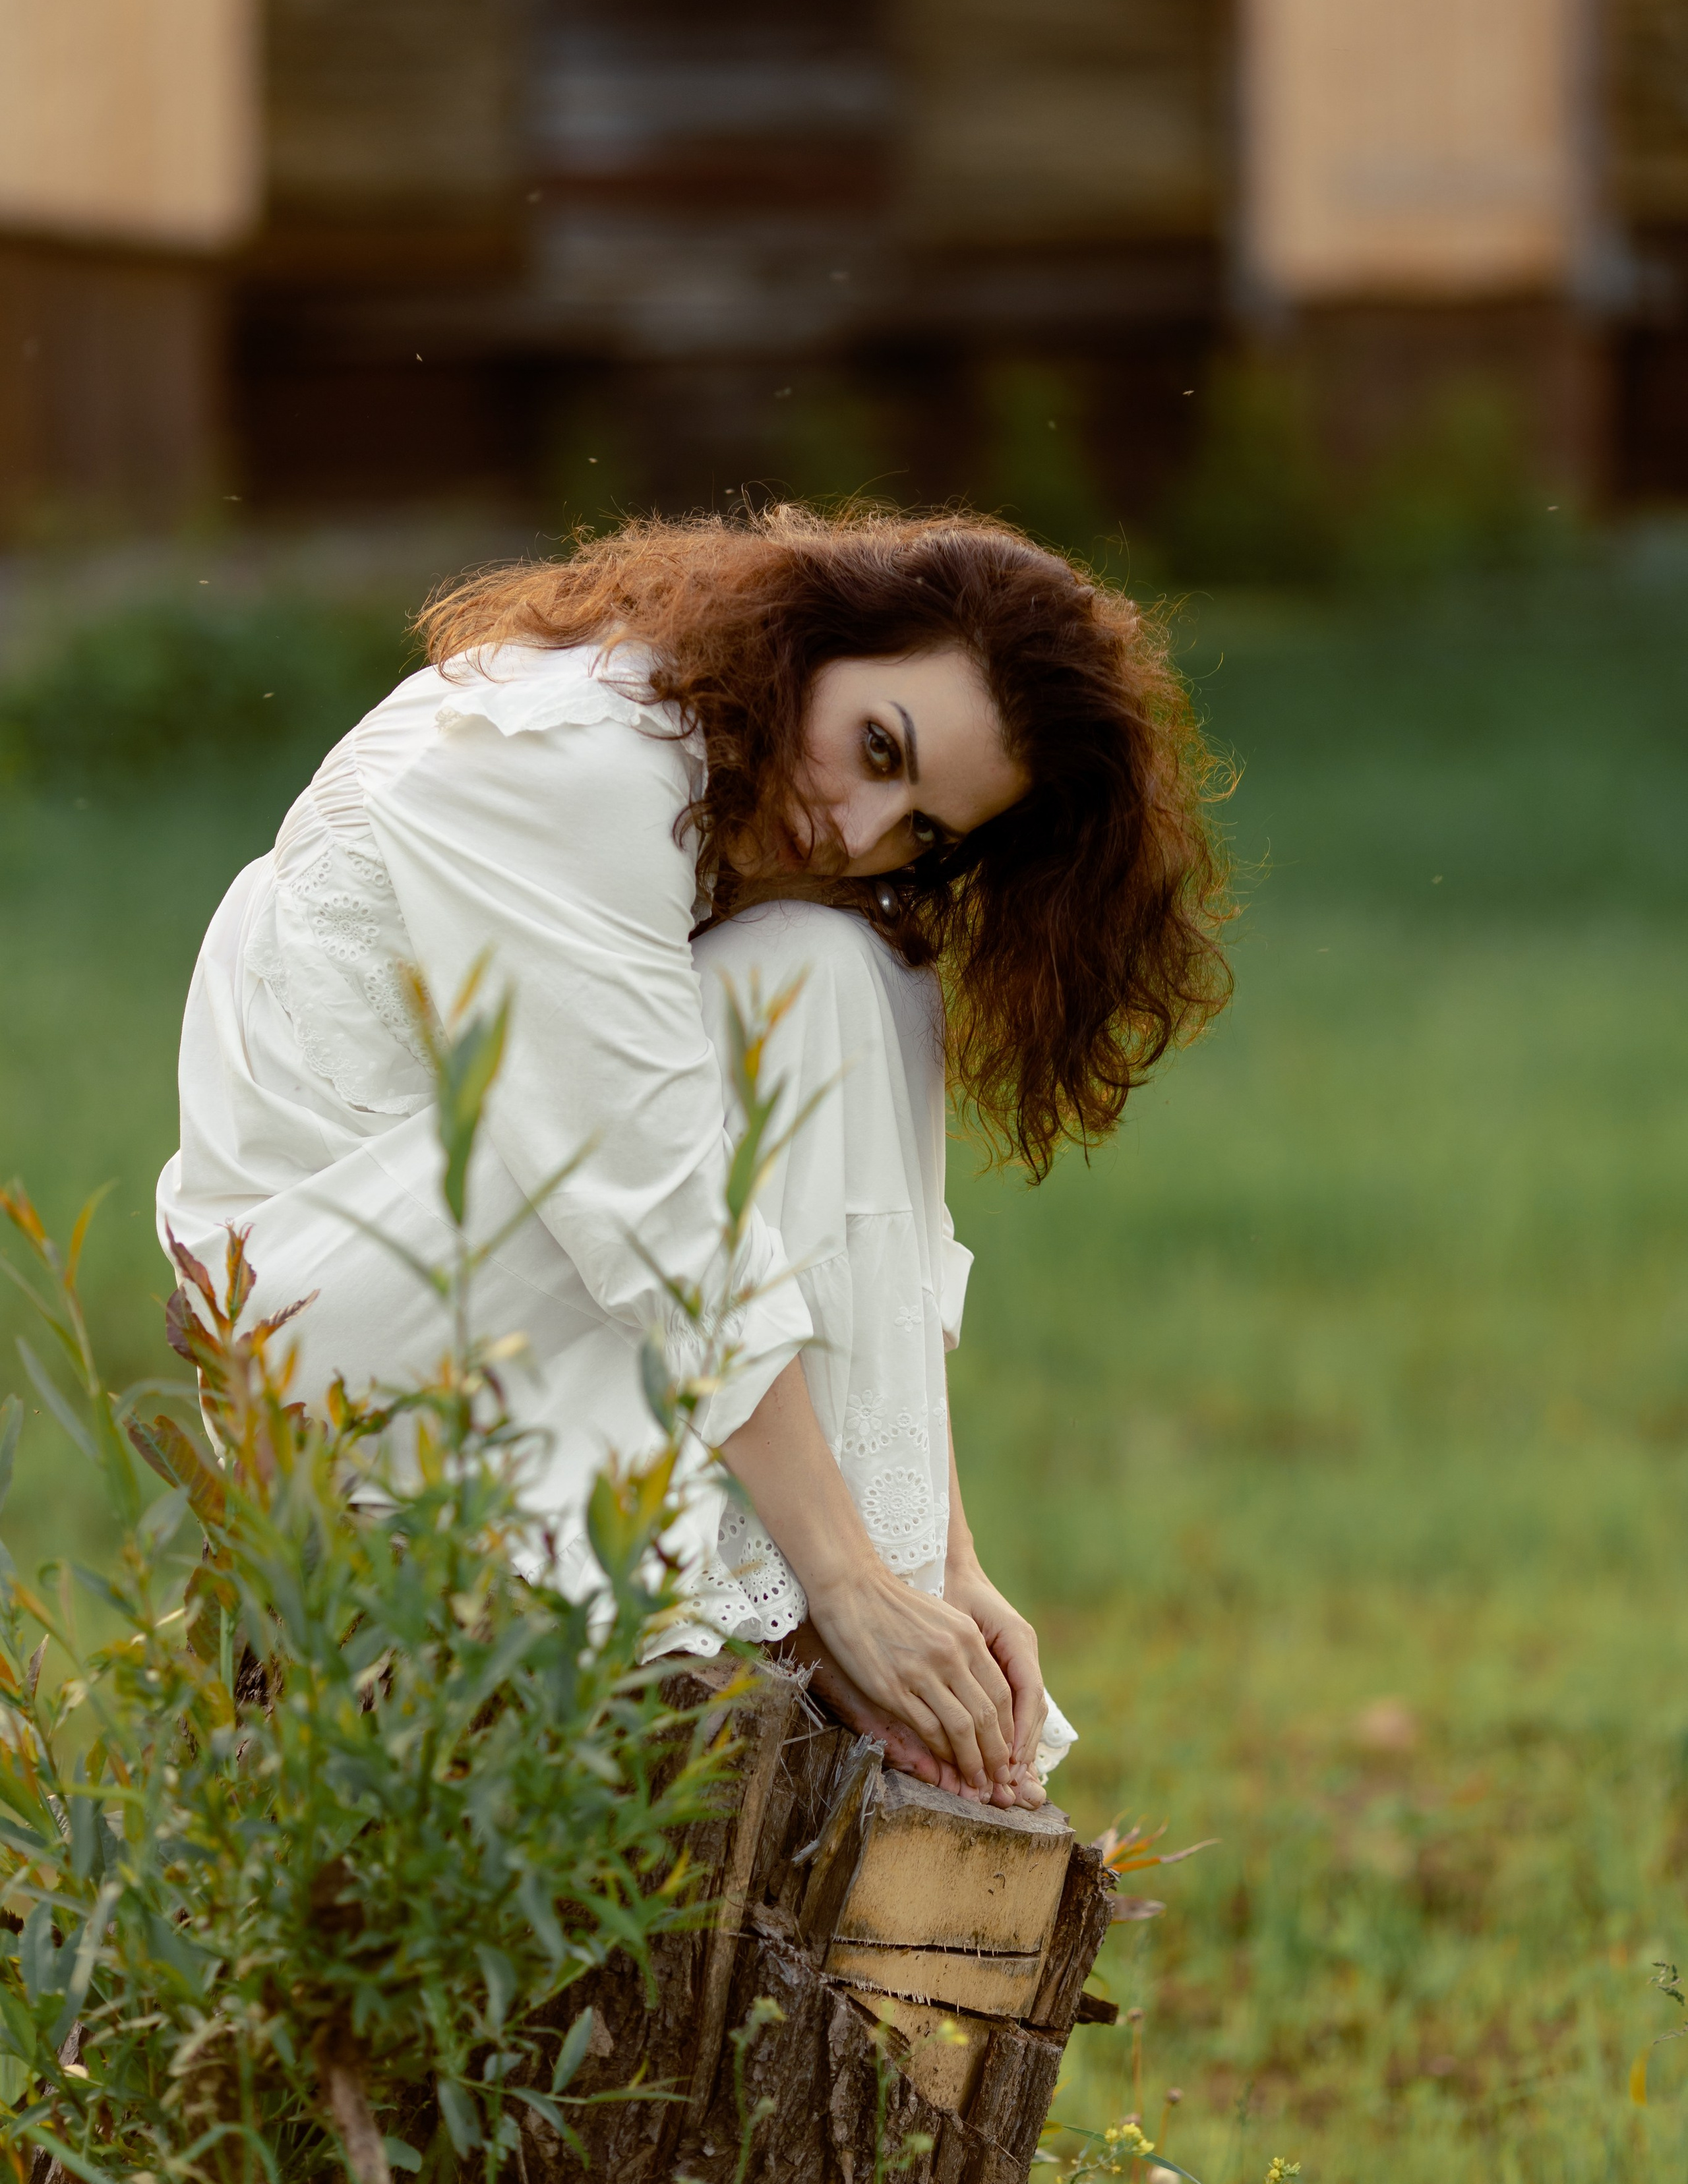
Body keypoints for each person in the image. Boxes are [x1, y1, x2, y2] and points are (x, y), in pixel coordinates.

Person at [158, 507, 1230, 1810]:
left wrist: (940, 1563)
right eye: (876, 749)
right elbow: (648, 1198)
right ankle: (826, 1623)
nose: (860, 830)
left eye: (925, 834)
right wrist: (843, 1582)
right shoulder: (581, 760)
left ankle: (873, 1612)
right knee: (818, 971)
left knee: (866, 966)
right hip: (313, 1330)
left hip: (462, 1257)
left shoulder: (719, 775)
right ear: (818, 640)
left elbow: (856, 1227)